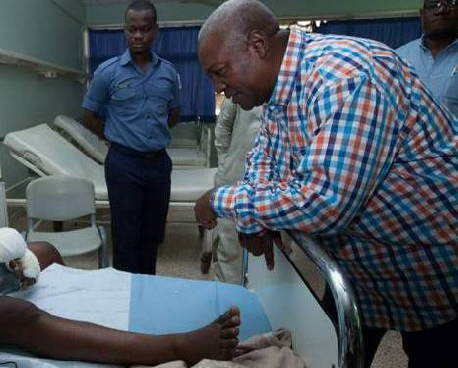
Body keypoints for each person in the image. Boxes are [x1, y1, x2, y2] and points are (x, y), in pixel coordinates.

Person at [0, 71, 242, 365]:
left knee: (43, 250)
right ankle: (173, 346)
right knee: (17, 316)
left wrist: (16, 252)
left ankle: (52, 322)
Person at [194, 1, 458, 367]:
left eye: (219, 72)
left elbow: (323, 201)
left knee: (433, 353)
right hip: (360, 269)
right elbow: (264, 159)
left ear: (257, 45)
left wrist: (222, 201)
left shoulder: (347, 76)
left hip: (430, 266)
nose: (218, 87)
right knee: (328, 352)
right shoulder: (279, 91)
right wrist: (255, 219)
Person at [81, 0, 181, 275]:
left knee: (152, 234)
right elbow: (88, 116)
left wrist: (151, 136)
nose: (138, 36)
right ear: (124, 31)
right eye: (132, 29)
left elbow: (173, 115)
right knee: (125, 237)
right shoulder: (107, 72)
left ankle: (147, 291)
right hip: (123, 164)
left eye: (145, 29)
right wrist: (116, 137)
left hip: (159, 164)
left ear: (155, 31)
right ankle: (122, 300)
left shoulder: (169, 72)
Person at [209, 97, 264, 284]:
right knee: (231, 253)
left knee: (272, 260)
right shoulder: (242, 84)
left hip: (276, 193)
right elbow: (223, 126)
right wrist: (226, 163)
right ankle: (228, 304)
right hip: (235, 179)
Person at [396, 0, 458, 118]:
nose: (441, 10)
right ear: (422, 14)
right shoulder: (398, 58)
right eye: (433, 4)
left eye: (451, 3)